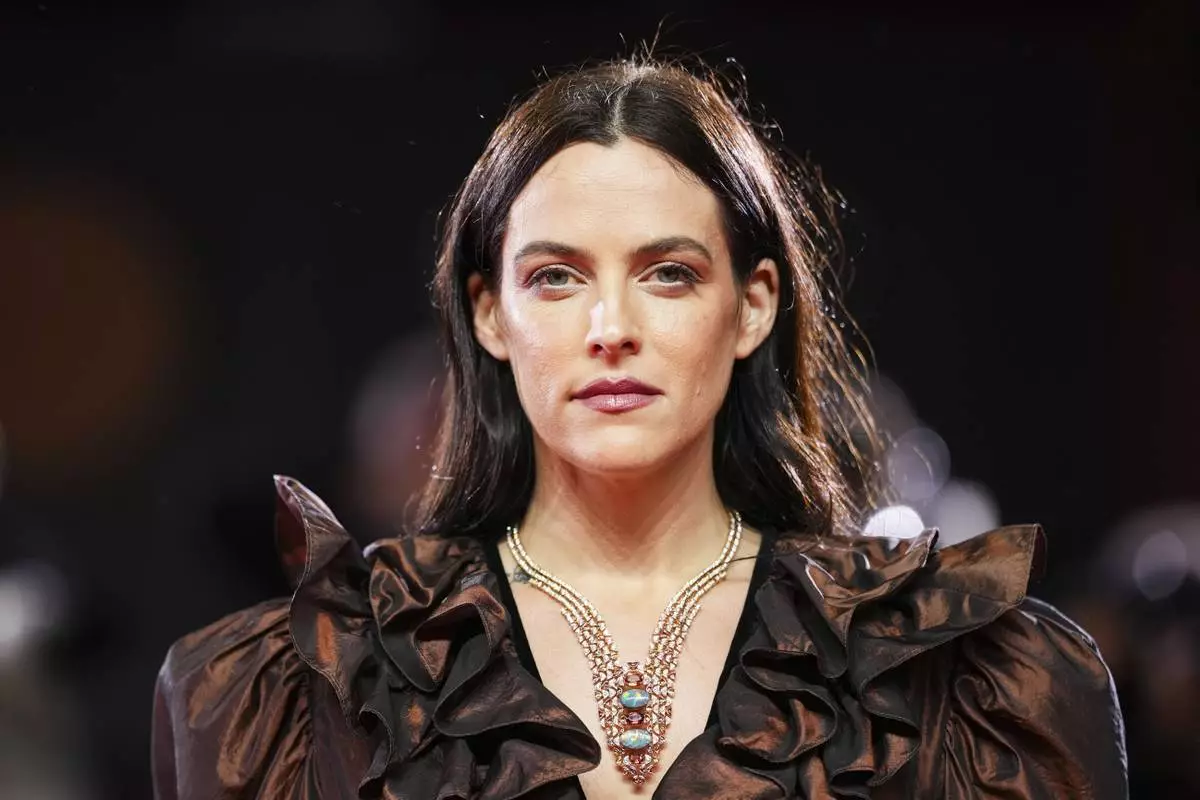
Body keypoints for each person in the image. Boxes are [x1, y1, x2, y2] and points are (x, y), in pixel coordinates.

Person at [152, 57, 1128, 799]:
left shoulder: (969, 682)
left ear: (753, 305)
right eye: (556, 276)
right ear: (488, 313)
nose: (611, 327)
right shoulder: (297, 688)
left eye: (668, 273)